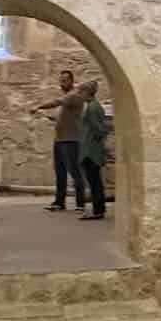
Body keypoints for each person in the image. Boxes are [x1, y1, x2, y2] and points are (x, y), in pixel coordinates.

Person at [32, 69, 86, 212]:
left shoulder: (74, 94)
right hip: (60, 140)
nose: (62, 84)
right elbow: (68, 116)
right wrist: (54, 119)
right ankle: (59, 202)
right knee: (60, 172)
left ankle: (80, 203)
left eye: (64, 81)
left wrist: (39, 106)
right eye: (60, 81)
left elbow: (57, 102)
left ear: (71, 81)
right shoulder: (69, 96)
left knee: (75, 172)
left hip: (71, 140)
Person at [77, 81, 108, 221]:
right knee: (95, 180)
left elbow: (99, 129)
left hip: (90, 150)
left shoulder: (92, 107)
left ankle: (97, 210)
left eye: (81, 91)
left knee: (94, 181)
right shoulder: (93, 106)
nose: (80, 94)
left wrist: (94, 142)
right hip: (91, 148)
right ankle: (99, 209)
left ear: (87, 92)